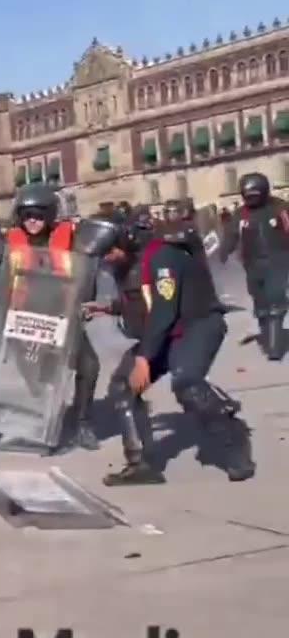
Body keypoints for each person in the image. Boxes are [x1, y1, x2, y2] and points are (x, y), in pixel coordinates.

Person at [89, 207, 256, 484]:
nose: (105, 259)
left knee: (187, 384)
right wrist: (108, 308)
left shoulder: (161, 256)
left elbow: (164, 310)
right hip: (164, 332)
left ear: (124, 239)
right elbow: (142, 301)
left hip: (197, 325)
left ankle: (234, 448)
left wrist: (144, 358)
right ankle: (141, 464)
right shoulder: (126, 264)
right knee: (123, 387)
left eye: (108, 251)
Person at [4, 184, 100, 450]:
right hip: (28, 320)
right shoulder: (9, 245)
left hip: (62, 315)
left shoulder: (70, 239)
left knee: (89, 366)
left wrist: (86, 299)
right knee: (41, 376)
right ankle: (46, 427)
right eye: (26, 216)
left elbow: (86, 270)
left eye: (37, 215)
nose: (32, 221)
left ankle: (82, 423)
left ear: (49, 215)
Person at [219, 172, 289, 359]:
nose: (251, 201)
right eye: (248, 197)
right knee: (261, 303)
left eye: (255, 196)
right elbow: (231, 235)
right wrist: (224, 252)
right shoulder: (240, 214)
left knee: (275, 299)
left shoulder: (280, 208)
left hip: (278, 261)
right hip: (252, 265)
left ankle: (274, 347)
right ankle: (266, 336)